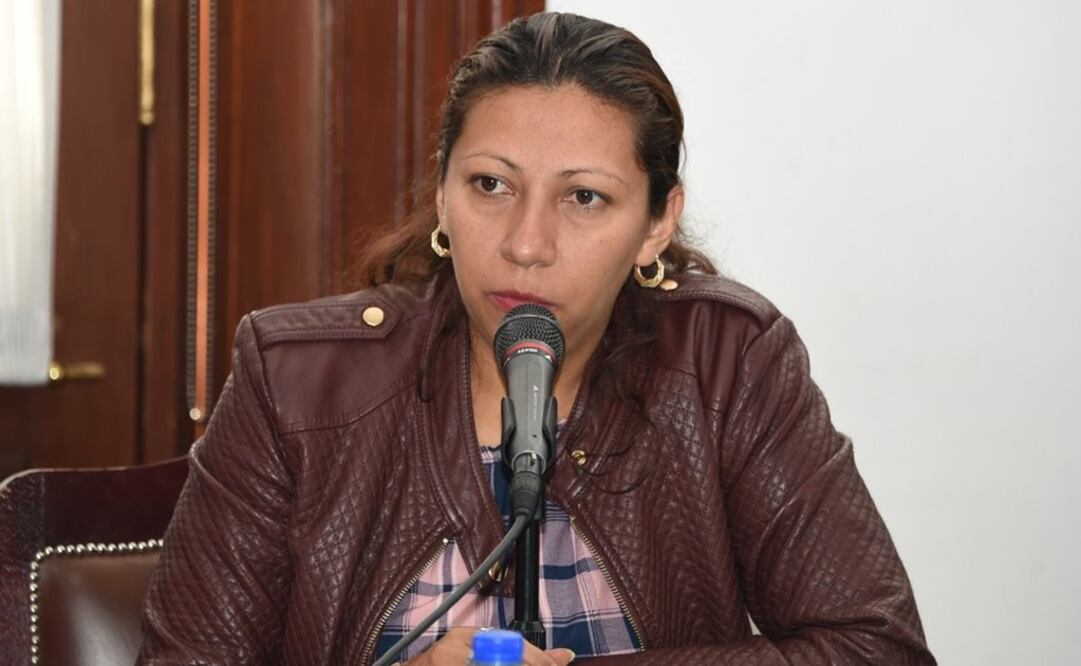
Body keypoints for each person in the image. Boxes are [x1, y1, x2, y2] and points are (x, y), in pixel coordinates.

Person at [139, 12, 935, 666]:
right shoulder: (296, 382)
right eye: (491, 185)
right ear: (443, 192)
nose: (526, 242)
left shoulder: (728, 362)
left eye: (584, 197)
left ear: (656, 223)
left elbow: (875, 650)